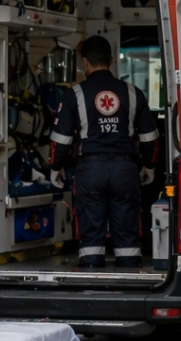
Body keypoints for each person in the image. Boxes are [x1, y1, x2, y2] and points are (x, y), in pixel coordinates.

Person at [50, 35, 158, 268]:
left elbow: (61, 139)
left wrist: (55, 167)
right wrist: (148, 166)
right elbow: (149, 137)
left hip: (89, 171)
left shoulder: (74, 94)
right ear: (111, 60)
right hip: (125, 170)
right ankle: (130, 284)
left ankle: (91, 285)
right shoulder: (132, 92)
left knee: (90, 237)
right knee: (128, 232)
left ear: (85, 62)